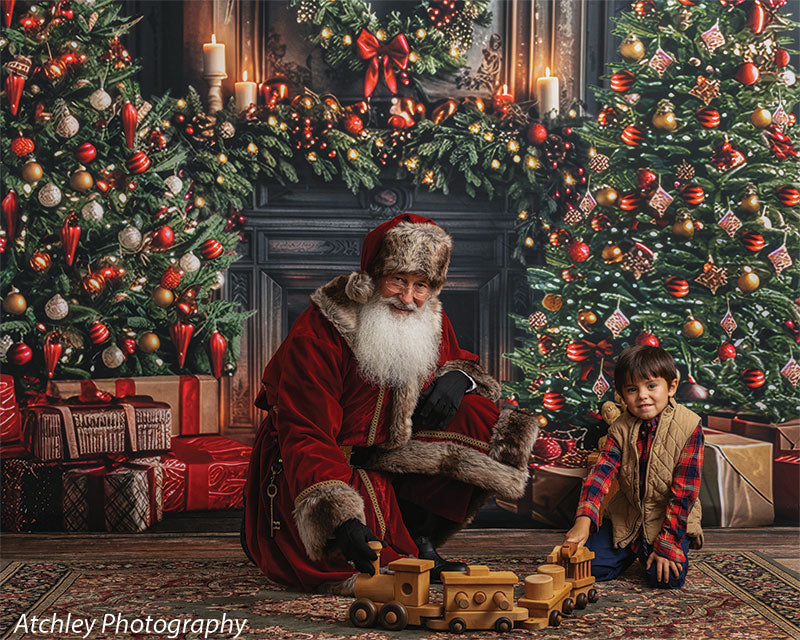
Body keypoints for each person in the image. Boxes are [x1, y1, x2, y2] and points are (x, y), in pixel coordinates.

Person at [242, 213, 539, 594]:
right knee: (362, 564)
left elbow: (460, 359)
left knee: (481, 418)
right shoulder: (320, 332)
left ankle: (421, 537)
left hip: (382, 452)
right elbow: (305, 433)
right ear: (372, 277)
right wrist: (340, 517)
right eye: (398, 280)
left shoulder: (428, 315)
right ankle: (283, 532)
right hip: (315, 462)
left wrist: (458, 378)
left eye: (421, 285)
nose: (408, 298)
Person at [563, 345, 704, 589]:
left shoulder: (689, 425)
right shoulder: (619, 428)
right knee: (591, 568)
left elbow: (684, 494)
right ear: (621, 395)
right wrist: (584, 519)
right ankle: (632, 549)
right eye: (632, 389)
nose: (642, 396)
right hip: (628, 515)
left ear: (670, 387)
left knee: (665, 578)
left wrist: (667, 545)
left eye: (651, 386)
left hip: (668, 516)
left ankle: (655, 548)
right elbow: (600, 474)